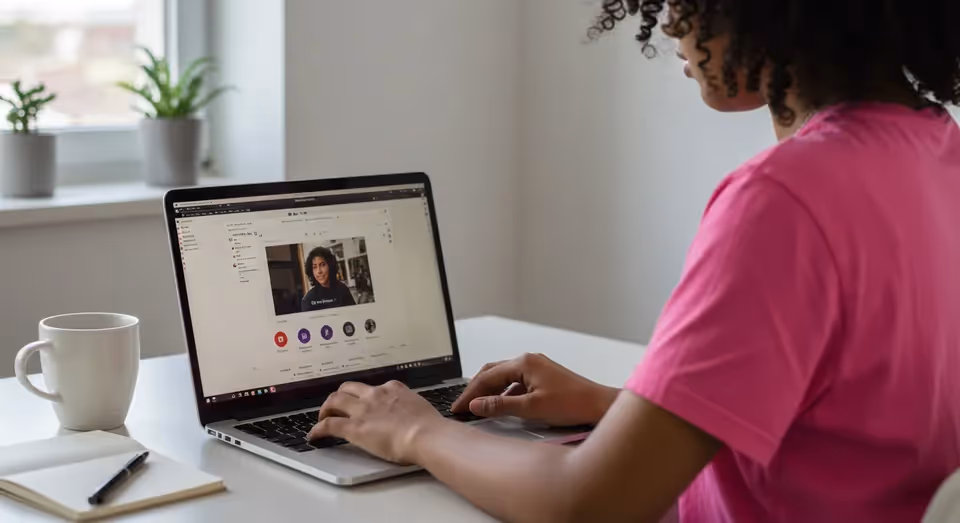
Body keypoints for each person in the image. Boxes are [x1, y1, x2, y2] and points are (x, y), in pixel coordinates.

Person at [308, 1, 960, 521]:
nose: (670, 20)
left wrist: (416, 432)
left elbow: (587, 502)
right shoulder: (940, 153)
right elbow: (855, 423)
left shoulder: (783, 202)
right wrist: (623, 408)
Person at [301, 246, 355, 312]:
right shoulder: (309, 300)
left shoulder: (342, 289)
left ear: (330, 265)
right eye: (314, 267)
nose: (319, 271)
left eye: (322, 265)